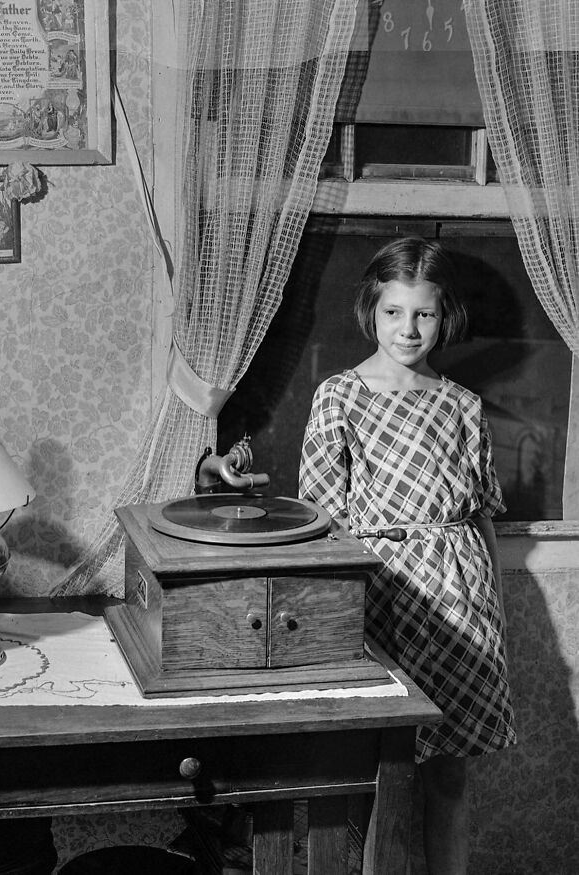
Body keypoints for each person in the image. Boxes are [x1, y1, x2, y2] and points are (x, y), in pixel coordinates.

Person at [299, 237, 516, 875]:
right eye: (394, 312)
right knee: (365, 776)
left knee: (447, 776)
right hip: (378, 598)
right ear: (372, 309)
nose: (408, 328)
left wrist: (494, 611)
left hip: (460, 605)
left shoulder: (463, 406)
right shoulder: (338, 397)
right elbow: (321, 520)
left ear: (445, 316)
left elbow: (480, 518)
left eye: (423, 313)